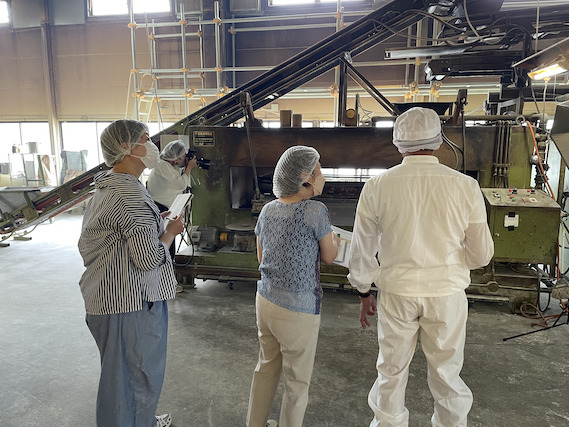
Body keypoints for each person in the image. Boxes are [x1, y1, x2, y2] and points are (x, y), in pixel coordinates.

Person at [347, 107, 494, 427]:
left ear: (398, 145)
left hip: (397, 292)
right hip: (446, 294)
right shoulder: (465, 186)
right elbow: (481, 255)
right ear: (440, 142)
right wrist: (455, 265)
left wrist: (363, 291)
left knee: (391, 370)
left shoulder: (377, 186)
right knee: (447, 372)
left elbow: (362, 249)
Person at [78, 119, 185, 427]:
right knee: (133, 378)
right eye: (145, 139)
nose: (151, 145)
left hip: (108, 297)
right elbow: (150, 257)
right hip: (129, 304)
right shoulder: (131, 196)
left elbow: (109, 237)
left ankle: (143, 420)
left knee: (124, 376)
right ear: (127, 149)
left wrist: (155, 223)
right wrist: (170, 232)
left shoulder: (109, 185)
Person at [247, 146, 339, 427]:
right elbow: (330, 255)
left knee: (265, 368)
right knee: (297, 381)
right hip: (298, 309)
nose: (322, 175)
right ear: (305, 177)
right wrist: (334, 238)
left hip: (266, 300)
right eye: (319, 170)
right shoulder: (315, 211)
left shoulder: (268, 210)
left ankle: (255, 422)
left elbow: (262, 257)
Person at [147, 139, 198, 287]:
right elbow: (180, 183)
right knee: (166, 247)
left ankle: (167, 281)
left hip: (166, 209)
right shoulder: (162, 166)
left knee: (169, 245)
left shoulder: (167, 166)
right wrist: (189, 168)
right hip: (161, 209)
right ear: (176, 158)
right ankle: (166, 283)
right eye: (183, 156)